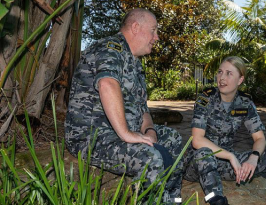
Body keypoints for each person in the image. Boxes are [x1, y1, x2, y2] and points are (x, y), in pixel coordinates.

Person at [65, 8, 183, 204]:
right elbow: (107, 84)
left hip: (119, 134)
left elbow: (142, 108)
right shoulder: (110, 48)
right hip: (93, 137)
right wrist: (127, 134)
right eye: (153, 30)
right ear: (135, 27)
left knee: (174, 139)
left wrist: (149, 130)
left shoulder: (135, 63)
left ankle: (172, 200)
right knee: (151, 158)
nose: (157, 37)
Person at [183, 56, 266, 205]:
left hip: (226, 165)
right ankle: (217, 200)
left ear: (240, 80)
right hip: (199, 164)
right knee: (204, 153)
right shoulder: (206, 99)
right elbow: (197, 140)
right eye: (220, 72)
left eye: (229, 73)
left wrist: (253, 158)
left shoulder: (244, 102)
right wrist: (231, 157)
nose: (222, 77)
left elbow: (260, 138)